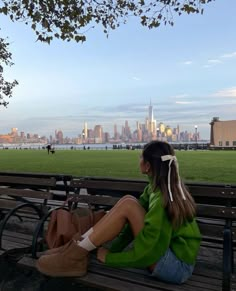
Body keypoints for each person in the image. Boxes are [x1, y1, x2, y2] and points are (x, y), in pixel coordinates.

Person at [36, 141, 201, 284]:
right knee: (128, 201)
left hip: (176, 268)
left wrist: (110, 258)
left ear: (148, 166)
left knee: (128, 204)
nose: (139, 160)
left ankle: (75, 255)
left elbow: (150, 252)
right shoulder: (155, 189)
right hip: (169, 258)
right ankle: (75, 250)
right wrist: (111, 250)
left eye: (140, 157)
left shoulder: (162, 199)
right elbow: (131, 227)